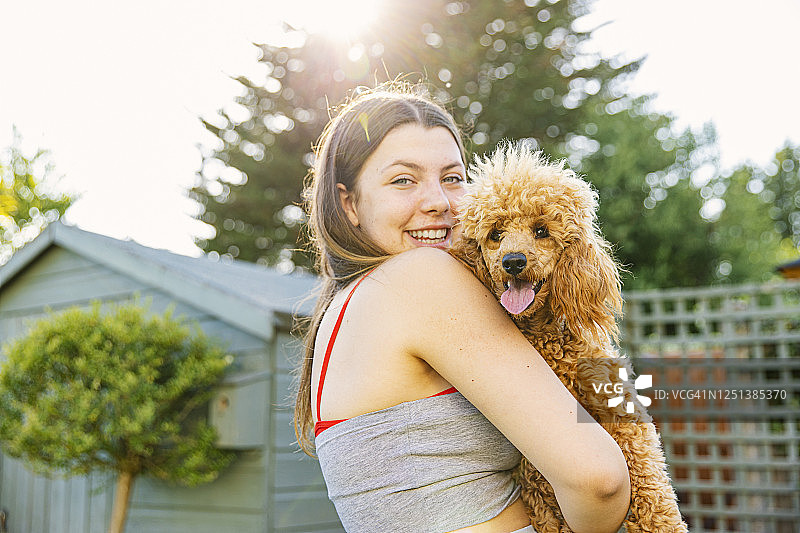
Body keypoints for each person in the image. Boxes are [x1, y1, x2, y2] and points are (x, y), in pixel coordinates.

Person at [294, 82, 630, 533]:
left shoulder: (341, 312)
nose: (440, 203)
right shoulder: (422, 277)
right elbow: (601, 480)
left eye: (452, 178)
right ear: (348, 203)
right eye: (403, 180)